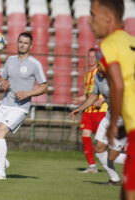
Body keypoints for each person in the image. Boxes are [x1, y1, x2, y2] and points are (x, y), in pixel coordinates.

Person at [0, 32, 48, 180]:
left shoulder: (34, 64)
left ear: (30, 46)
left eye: (25, 43)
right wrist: (2, 83)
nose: (22, 45)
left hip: (20, 108)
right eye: (20, 42)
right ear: (17, 43)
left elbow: (44, 86)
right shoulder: (10, 60)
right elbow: (1, 78)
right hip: (5, 104)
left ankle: (0, 172)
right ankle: (3, 162)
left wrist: (28, 94)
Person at [89, 0, 135, 199]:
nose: (89, 22)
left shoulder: (108, 44)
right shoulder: (131, 41)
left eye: (93, 16)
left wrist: (112, 123)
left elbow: (117, 85)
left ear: (108, 18)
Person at [69, 63, 127, 185]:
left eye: (102, 66)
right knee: (99, 149)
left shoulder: (120, 77)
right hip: (109, 116)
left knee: (113, 157)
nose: (99, 68)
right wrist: (80, 108)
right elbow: (94, 96)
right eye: (98, 65)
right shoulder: (98, 77)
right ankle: (114, 179)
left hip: (123, 120)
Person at [73, 48, 107, 173]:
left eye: (94, 56)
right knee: (85, 136)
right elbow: (89, 95)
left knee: (101, 142)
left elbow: (107, 89)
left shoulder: (101, 72)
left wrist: (102, 99)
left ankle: (113, 161)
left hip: (100, 111)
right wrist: (80, 99)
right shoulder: (87, 74)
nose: (92, 58)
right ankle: (92, 166)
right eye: (90, 56)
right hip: (88, 111)